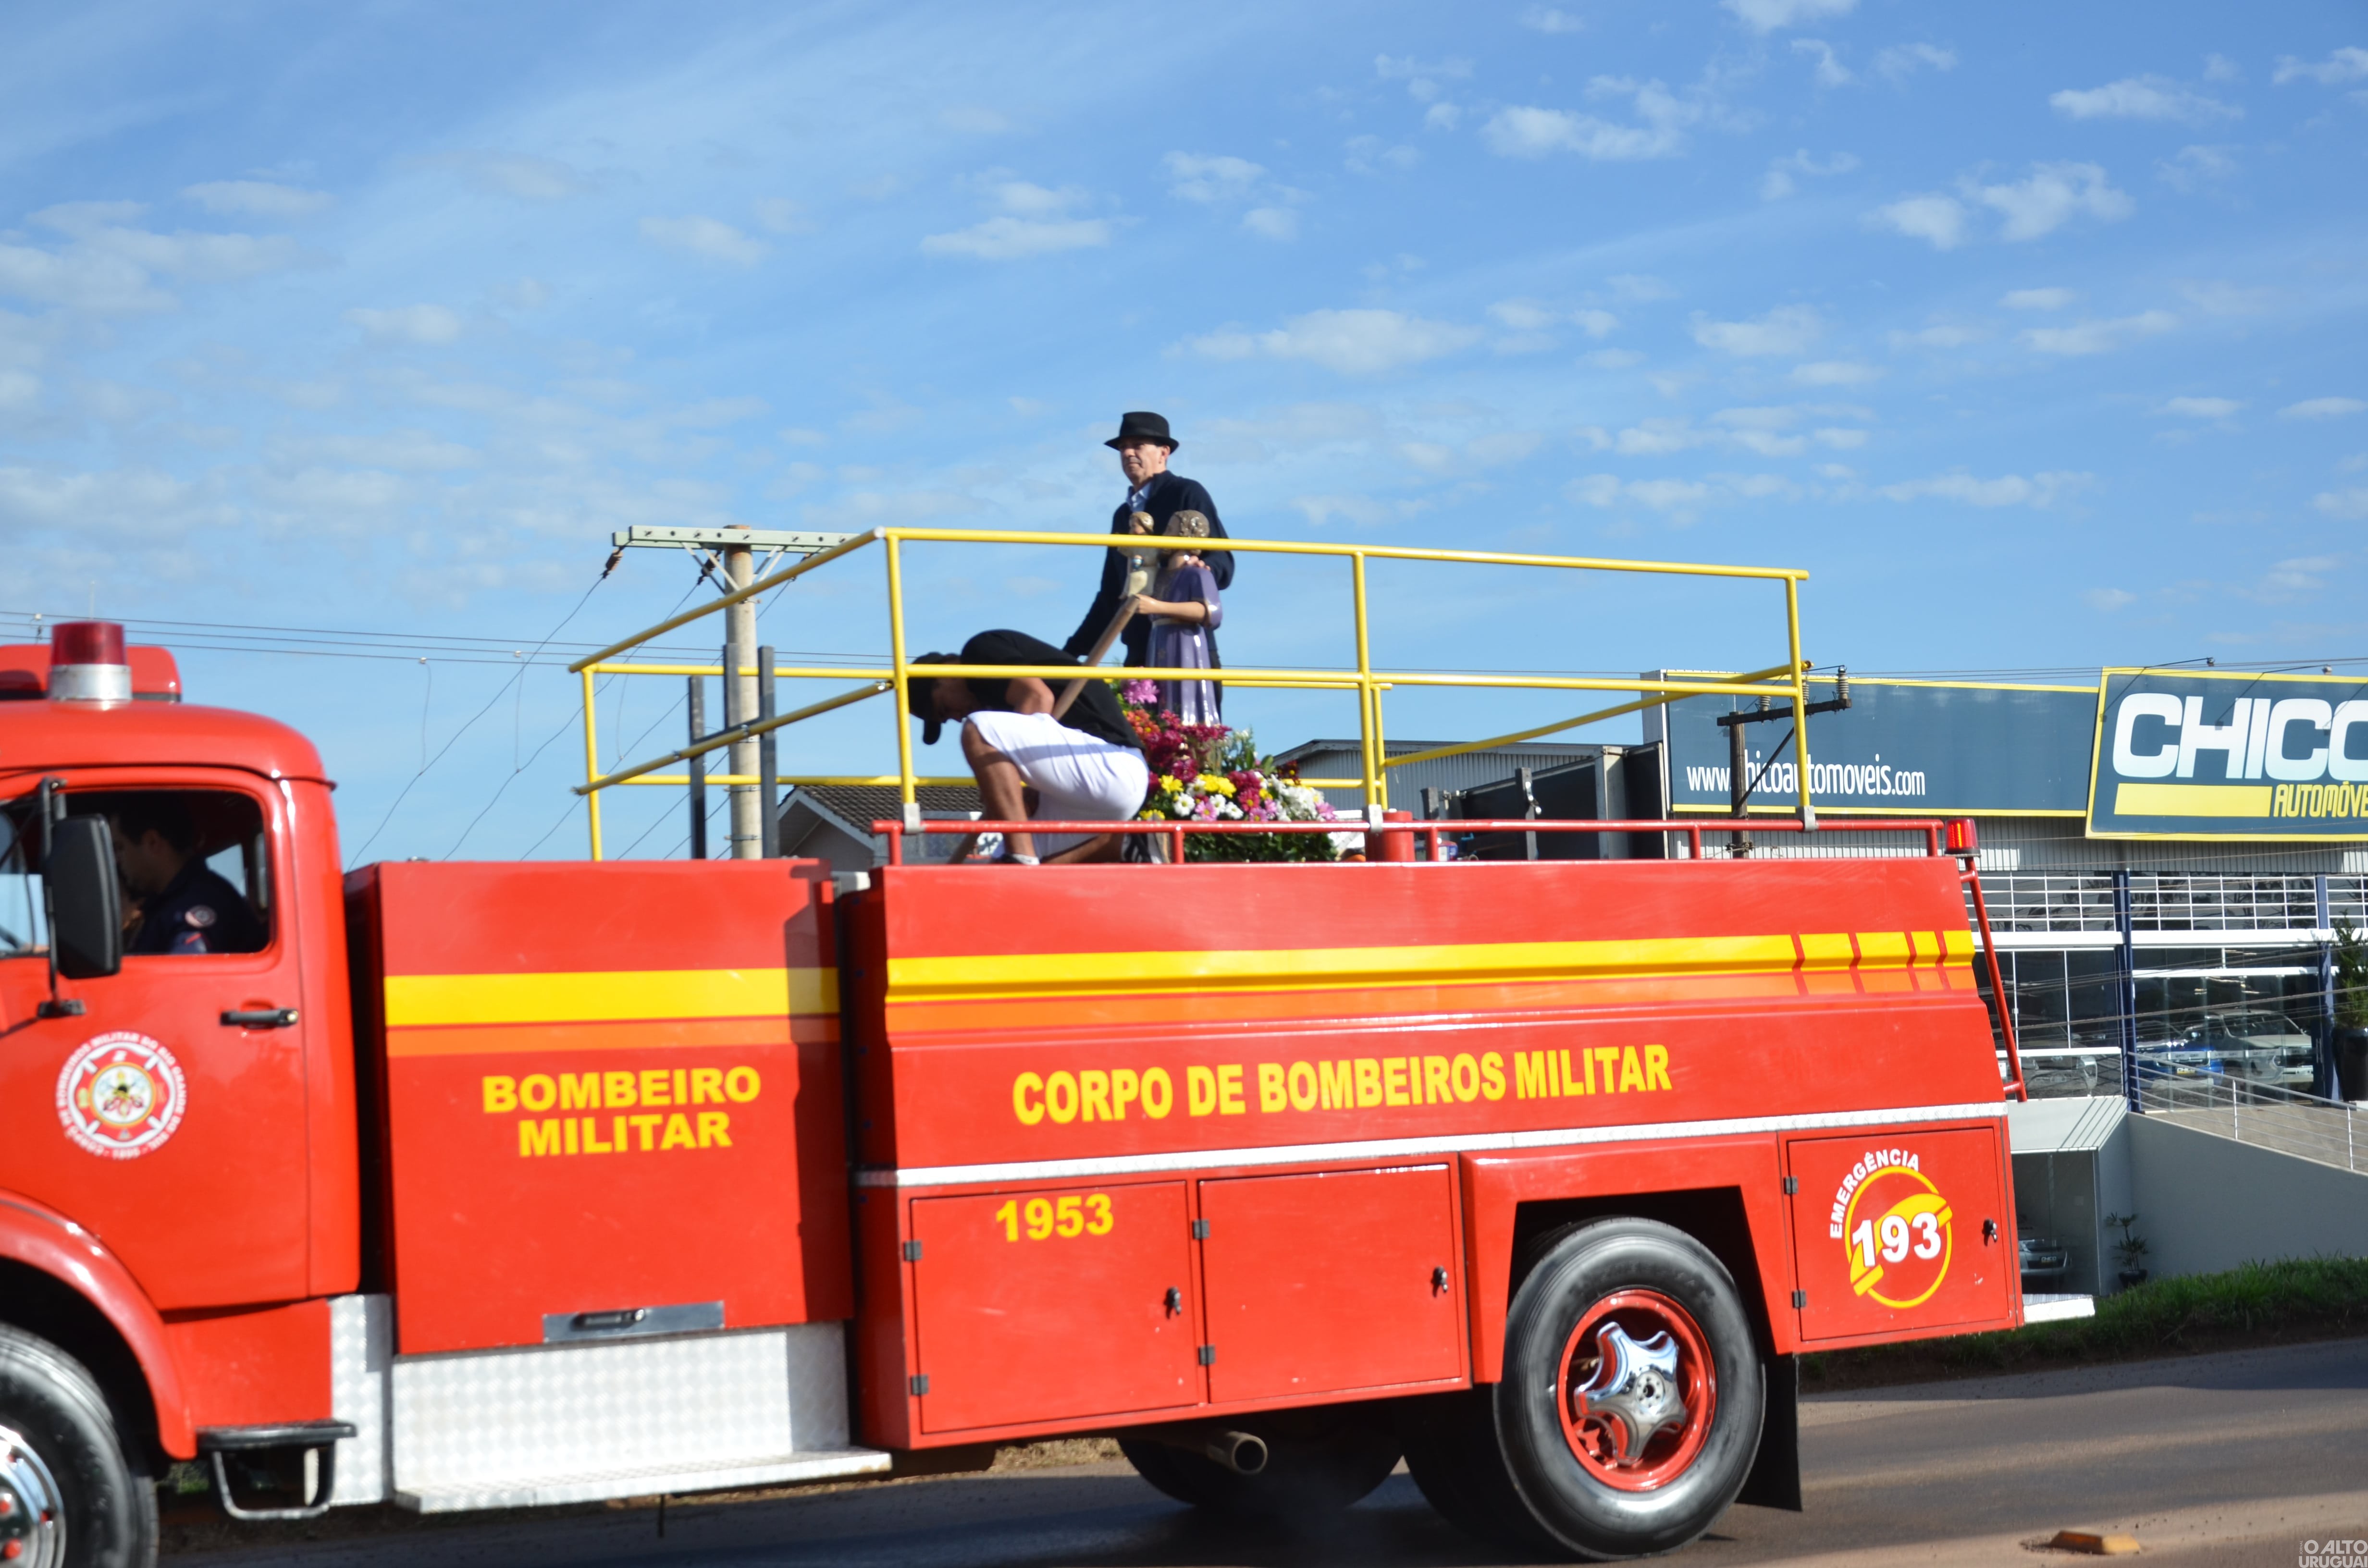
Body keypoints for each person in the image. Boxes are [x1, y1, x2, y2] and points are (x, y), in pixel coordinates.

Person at [908, 629, 1150, 865]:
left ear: (944, 673)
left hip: (1110, 761)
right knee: (1003, 870)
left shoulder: (980, 651)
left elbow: (1038, 697)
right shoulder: (995, 708)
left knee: (978, 730)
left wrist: (1022, 786)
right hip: (1084, 792)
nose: (956, 717)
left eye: (944, 709)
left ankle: (1022, 856)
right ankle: (1120, 844)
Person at [1063, 413, 1234, 698]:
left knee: (1191, 733)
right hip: (1139, 647)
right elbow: (1110, 594)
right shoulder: (1124, 515)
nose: (1128, 453)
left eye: (1138, 445)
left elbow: (1224, 563)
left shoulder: (1186, 493)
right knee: (1139, 736)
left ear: (1163, 453)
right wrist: (1071, 653)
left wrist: (1204, 568)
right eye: (1123, 448)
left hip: (1187, 646)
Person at [107, 795, 266, 955]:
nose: (117, 861)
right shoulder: (167, 905)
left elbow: (183, 974)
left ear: (152, 842)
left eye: (120, 848)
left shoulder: (200, 902)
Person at [1135, 509, 1222, 724]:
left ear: (1186, 535)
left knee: (1185, 701)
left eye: (1171, 530)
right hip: (1159, 642)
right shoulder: (1159, 576)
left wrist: (1159, 606)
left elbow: (1211, 612)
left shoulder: (1198, 573)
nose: (1165, 535)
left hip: (1186, 645)